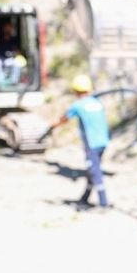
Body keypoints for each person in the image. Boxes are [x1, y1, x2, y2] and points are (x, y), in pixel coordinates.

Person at [50, 74, 111, 208]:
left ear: (75, 91)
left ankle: (103, 202)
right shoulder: (97, 103)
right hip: (103, 141)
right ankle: (85, 197)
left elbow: (64, 118)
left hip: (92, 143)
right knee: (92, 170)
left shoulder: (78, 105)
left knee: (95, 171)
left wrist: (55, 124)